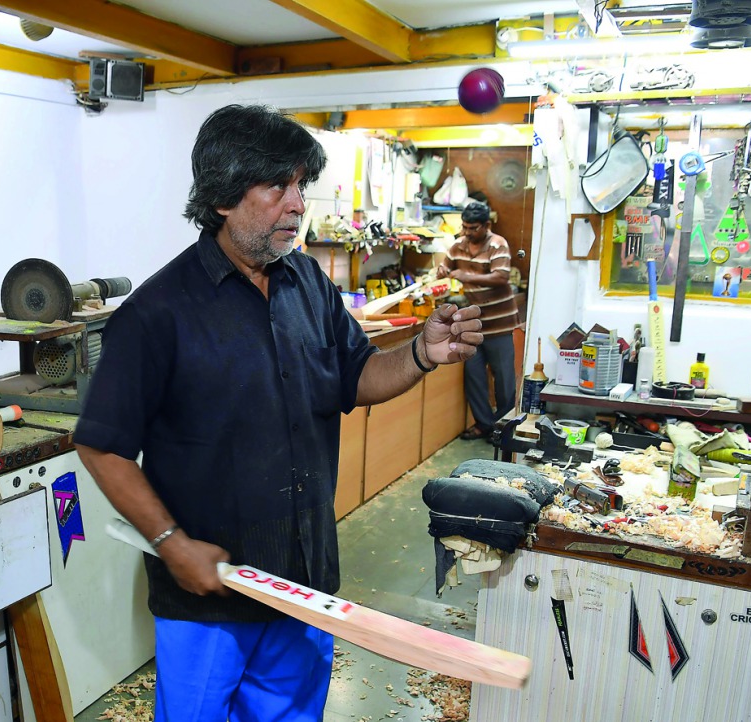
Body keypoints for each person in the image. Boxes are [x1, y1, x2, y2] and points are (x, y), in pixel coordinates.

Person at [72, 104, 483, 722]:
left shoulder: (307, 283)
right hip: (209, 599)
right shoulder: (156, 314)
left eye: (300, 186)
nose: (297, 205)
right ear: (222, 198)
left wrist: (422, 354)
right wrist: (170, 543)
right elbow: (102, 444)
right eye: (276, 187)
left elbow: (356, 375)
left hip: (302, 580)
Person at [436, 201, 519, 441]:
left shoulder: (497, 244)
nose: (467, 232)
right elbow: (445, 264)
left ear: (486, 225)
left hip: (500, 324)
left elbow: (501, 277)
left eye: (473, 228)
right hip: (473, 324)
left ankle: (504, 429)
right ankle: (484, 425)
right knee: (473, 376)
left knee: (503, 381)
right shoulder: (458, 245)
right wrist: (442, 270)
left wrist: (466, 275)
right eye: (464, 227)